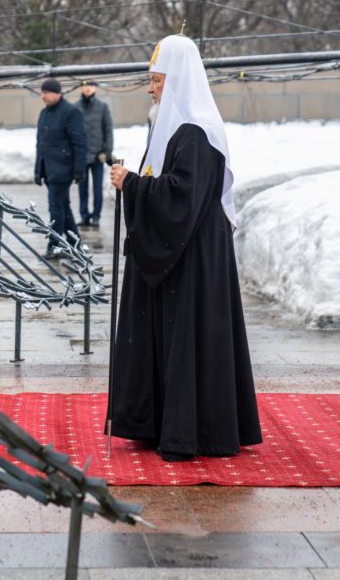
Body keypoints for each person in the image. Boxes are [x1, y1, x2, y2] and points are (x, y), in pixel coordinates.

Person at [106, 34, 261, 462]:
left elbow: (181, 197)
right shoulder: (179, 129)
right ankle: (161, 422)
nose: (151, 88)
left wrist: (132, 185)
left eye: (156, 80)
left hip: (191, 258)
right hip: (186, 252)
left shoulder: (195, 132)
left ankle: (190, 431)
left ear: (176, 82)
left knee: (186, 337)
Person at [33, 77, 86, 260]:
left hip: (63, 170)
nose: (43, 96)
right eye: (42, 92)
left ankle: (54, 245)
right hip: (49, 170)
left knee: (56, 208)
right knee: (64, 206)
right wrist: (38, 171)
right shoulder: (44, 113)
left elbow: (79, 143)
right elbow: (40, 144)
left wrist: (79, 170)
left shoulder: (71, 112)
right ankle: (75, 245)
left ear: (57, 93)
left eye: (46, 92)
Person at [75, 80, 114, 228]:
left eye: (90, 86)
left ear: (95, 88)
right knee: (81, 188)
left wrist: (106, 152)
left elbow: (108, 132)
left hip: (98, 156)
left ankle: (96, 216)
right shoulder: (75, 107)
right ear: (81, 88)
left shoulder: (102, 107)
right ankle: (84, 216)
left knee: (97, 188)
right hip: (81, 155)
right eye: (85, 86)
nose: (87, 89)